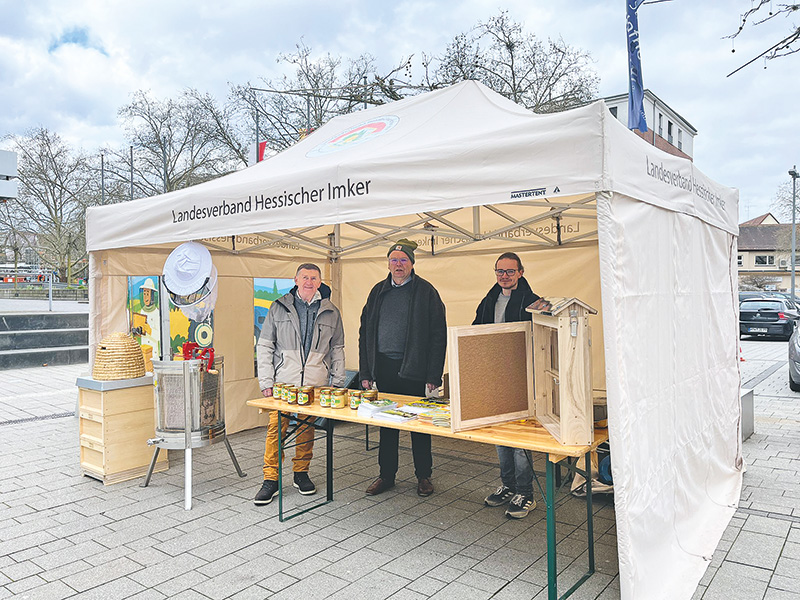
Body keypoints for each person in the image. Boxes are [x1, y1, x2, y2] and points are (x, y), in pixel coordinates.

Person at [359, 239, 447, 497]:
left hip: (414, 368)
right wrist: (366, 372)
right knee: (387, 425)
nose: (398, 265)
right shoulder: (377, 291)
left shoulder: (426, 291)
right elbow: (365, 332)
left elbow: (438, 334)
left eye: (403, 260)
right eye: (394, 260)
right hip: (384, 368)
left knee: (419, 425)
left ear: (412, 263)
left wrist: (433, 374)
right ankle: (386, 475)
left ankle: (424, 476)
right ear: (388, 263)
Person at [254, 263, 345, 505]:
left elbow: (337, 349)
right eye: (305, 277)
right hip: (283, 384)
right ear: (295, 279)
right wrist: (266, 381)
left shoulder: (331, 312)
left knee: (307, 429)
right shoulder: (278, 307)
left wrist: (337, 381)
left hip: (315, 384)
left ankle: (301, 473)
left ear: (319, 282)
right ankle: (270, 479)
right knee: (276, 430)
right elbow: (264, 347)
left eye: (314, 278)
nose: (309, 281)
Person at [473, 252, 541, 519]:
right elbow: (475, 332)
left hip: (522, 378)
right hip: (494, 377)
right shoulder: (488, 300)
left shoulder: (533, 302)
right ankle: (509, 486)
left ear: (521, 273)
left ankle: (526, 493)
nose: (504, 276)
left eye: (510, 272)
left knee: (520, 438)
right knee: (501, 435)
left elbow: (541, 340)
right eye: (500, 271)